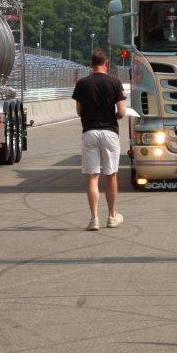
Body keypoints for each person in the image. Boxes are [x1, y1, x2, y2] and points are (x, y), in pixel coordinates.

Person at [71, 49, 126, 232]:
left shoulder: (82, 84)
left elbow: (79, 111)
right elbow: (121, 112)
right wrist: (113, 116)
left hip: (89, 132)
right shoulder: (115, 83)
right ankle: (111, 216)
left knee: (92, 177)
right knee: (110, 175)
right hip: (109, 132)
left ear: (90, 64)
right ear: (106, 63)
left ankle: (94, 218)